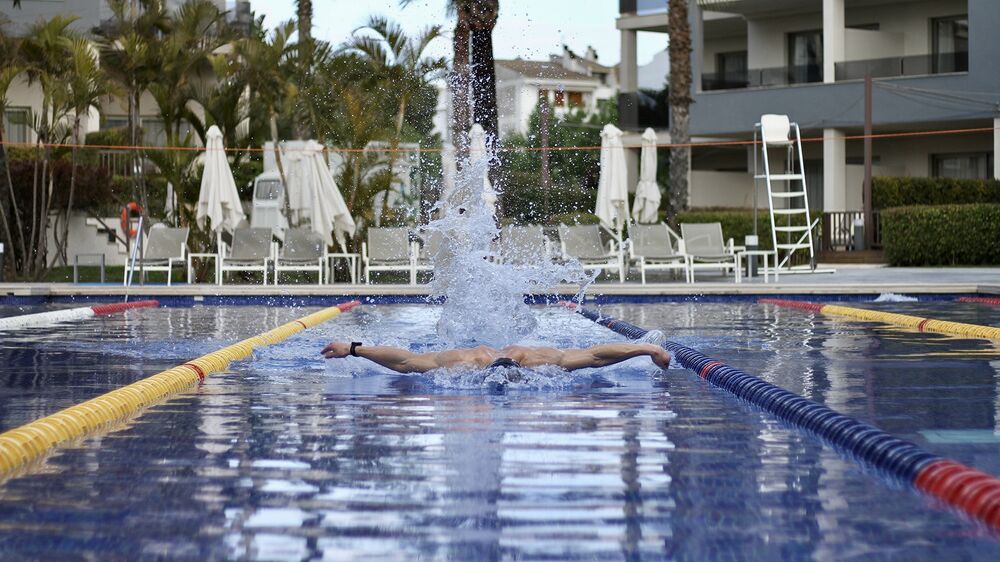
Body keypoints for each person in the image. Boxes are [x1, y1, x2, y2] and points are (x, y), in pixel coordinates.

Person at [321, 341, 671, 374]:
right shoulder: (464, 360)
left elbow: (596, 356)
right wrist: (353, 349)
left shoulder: (538, 360)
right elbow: (405, 361)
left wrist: (648, 349)